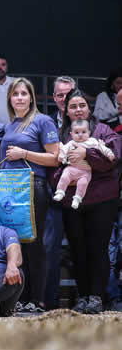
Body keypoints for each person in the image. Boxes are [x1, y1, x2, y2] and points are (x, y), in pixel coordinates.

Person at [53, 90, 120, 313]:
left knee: (98, 249)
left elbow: (112, 159)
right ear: (66, 109)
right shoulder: (61, 134)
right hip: (73, 201)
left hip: (102, 199)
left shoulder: (102, 130)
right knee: (77, 250)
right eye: (73, 106)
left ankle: (97, 296)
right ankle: (82, 296)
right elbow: (54, 168)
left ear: (88, 108)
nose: (78, 109)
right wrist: (64, 182)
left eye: (82, 105)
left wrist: (85, 154)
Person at [0, 77, 59, 314]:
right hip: (9, 189)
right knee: (16, 245)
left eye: (24, 93)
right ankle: (20, 298)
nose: (20, 98)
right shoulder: (9, 125)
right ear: (10, 99)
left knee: (35, 244)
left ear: (32, 97)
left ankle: (38, 299)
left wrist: (24, 153)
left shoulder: (43, 121)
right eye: (15, 94)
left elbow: (55, 157)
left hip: (33, 186)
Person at [53, 119, 113, 209]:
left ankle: (77, 199)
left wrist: (109, 154)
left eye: (83, 132)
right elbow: (63, 150)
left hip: (85, 171)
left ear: (89, 132)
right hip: (71, 168)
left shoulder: (92, 142)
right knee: (64, 176)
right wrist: (61, 156)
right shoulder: (71, 143)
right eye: (76, 132)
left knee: (83, 183)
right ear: (71, 134)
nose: (80, 135)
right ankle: (60, 192)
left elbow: (102, 148)